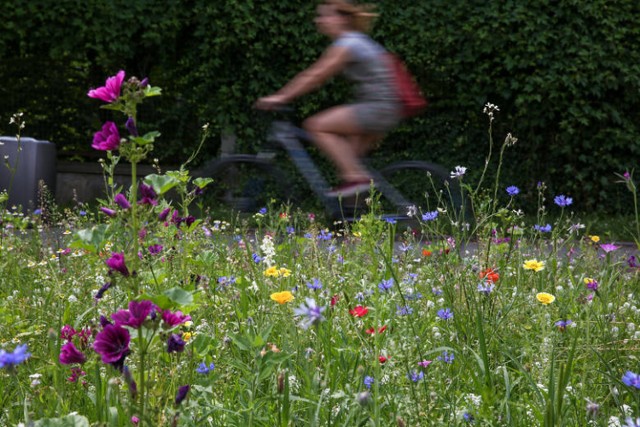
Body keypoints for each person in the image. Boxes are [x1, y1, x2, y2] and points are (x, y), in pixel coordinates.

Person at [255, 0, 402, 197]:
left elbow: (315, 76)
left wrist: (280, 97)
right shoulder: (355, 41)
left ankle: (356, 179)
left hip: (378, 107)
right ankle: (350, 217)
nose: (319, 20)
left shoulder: (348, 44)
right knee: (350, 169)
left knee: (316, 126)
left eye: (325, 15)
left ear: (343, 19)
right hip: (385, 107)